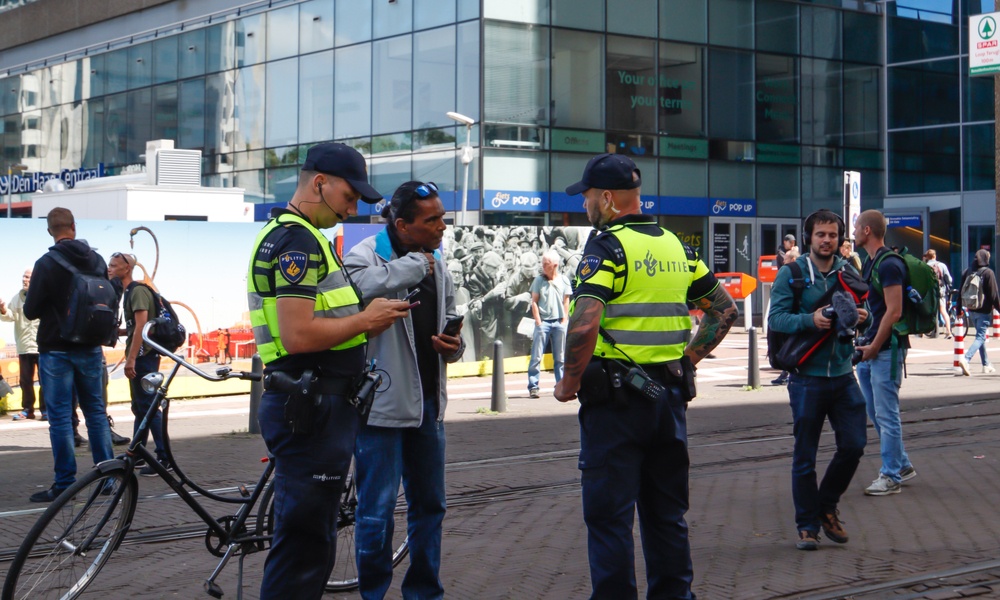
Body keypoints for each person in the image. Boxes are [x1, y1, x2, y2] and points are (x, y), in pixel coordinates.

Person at [554, 153, 738, 599]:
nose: (584, 205)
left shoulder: (607, 247)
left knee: (609, 520)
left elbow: (585, 322)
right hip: (668, 400)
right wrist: (687, 361)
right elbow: (724, 310)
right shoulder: (676, 246)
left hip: (616, 407)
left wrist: (568, 382)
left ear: (607, 198)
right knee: (666, 516)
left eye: (587, 197)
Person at [248, 143, 409, 599]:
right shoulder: (298, 241)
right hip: (312, 408)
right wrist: (367, 320)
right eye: (349, 196)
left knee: (310, 540)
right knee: (304, 547)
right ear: (319, 183)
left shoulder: (291, 234)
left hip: (313, 404)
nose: (351, 209)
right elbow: (298, 335)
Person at [344, 180, 464, 600]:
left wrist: (454, 347)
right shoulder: (364, 256)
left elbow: (451, 320)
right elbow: (357, 290)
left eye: (442, 218)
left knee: (430, 506)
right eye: (432, 220)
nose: (442, 226)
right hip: (382, 408)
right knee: (376, 512)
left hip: (428, 407)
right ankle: (373, 594)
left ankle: (424, 593)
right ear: (402, 225)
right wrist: (416, 266)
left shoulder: (437, 262)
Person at [768, 210, 869, 551]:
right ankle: (807, 526)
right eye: (820, 234)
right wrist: (810, 320)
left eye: (832, 235)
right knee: (805, 456)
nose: (827, 240)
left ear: (840, 239)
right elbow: (777, 319)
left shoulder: (849, 272)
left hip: (843, 375)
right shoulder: (792, 274)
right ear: (809, 237)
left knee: (854, 445)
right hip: (806, 379)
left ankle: (826, 505)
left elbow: (866, 315)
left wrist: (863, 318)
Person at [22, 207, 114, 503]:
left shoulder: (46, 263)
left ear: (50, 231)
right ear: (74, 226)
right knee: (96, 412)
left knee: (60, 418)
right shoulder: (97, 260)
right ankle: (109, 479)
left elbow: (30, 310)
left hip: (56, 348)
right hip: (90, 346)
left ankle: (65, 485)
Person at [854, 210, 916, 496]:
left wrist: (875, 346)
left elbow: (895, 311)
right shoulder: (871, 262)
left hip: (886, 350)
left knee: (887, 414)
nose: (853, 232)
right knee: (875, 411)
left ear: (867, 230)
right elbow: (879, 310)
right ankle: (902, 464)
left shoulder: (889, 264)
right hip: (871, 348)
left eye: (856, 227)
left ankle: (890, 476)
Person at [107, 252, 170, 476]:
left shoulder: (138, 291)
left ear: (127, 268)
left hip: (144, 357)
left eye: (113, 265)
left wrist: (131, 359)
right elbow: (136, 326)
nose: (109, 268)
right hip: (142, 356)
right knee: (141, 407)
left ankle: (164, 458)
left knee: (149, 408)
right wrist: (121, 331)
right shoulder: (129, 292)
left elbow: (142, 327)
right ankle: (137, 454)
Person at [0, 268, 44, 421]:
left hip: (42, 346)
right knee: (25, 381)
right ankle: (27, 410)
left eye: (28, 277)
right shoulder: (16, 299)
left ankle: (46, 410)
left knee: (45, 380)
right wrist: (3, 309)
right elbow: (9, 316)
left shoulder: (43, 296)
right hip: (24, 346)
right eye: (24, 277)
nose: (25, 280)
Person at [526, 250, 571, 398]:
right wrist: (539, 322)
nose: (543, 266)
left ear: (555, 265)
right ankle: (533, 386)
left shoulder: (564, 280)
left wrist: (564, 320)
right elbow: (534, 301)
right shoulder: (538, 281)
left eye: (546, 264)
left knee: (560, 358)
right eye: (543, 263)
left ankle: (561, 385)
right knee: (536, 356)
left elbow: (566, 301)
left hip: (559, 322)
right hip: (544, 322)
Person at [957, 249, 1000, 375]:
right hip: (984, 310)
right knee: (980, 337)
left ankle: (986, 364)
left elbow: (960, 291)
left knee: (979, 337)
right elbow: (994, 295)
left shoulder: (967, 271)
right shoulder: (988, 273)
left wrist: (959, 309)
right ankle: (966, 359)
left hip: (972, 309)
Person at [923, 249, 953, 339]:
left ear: (927, 257)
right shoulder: (942, 265)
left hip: (929, 293)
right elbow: (949, 279)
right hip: (940, 291)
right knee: (943, 311)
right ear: (935, 256)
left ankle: (922, 332)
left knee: (928, 311)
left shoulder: (924, 266)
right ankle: (949, 332)